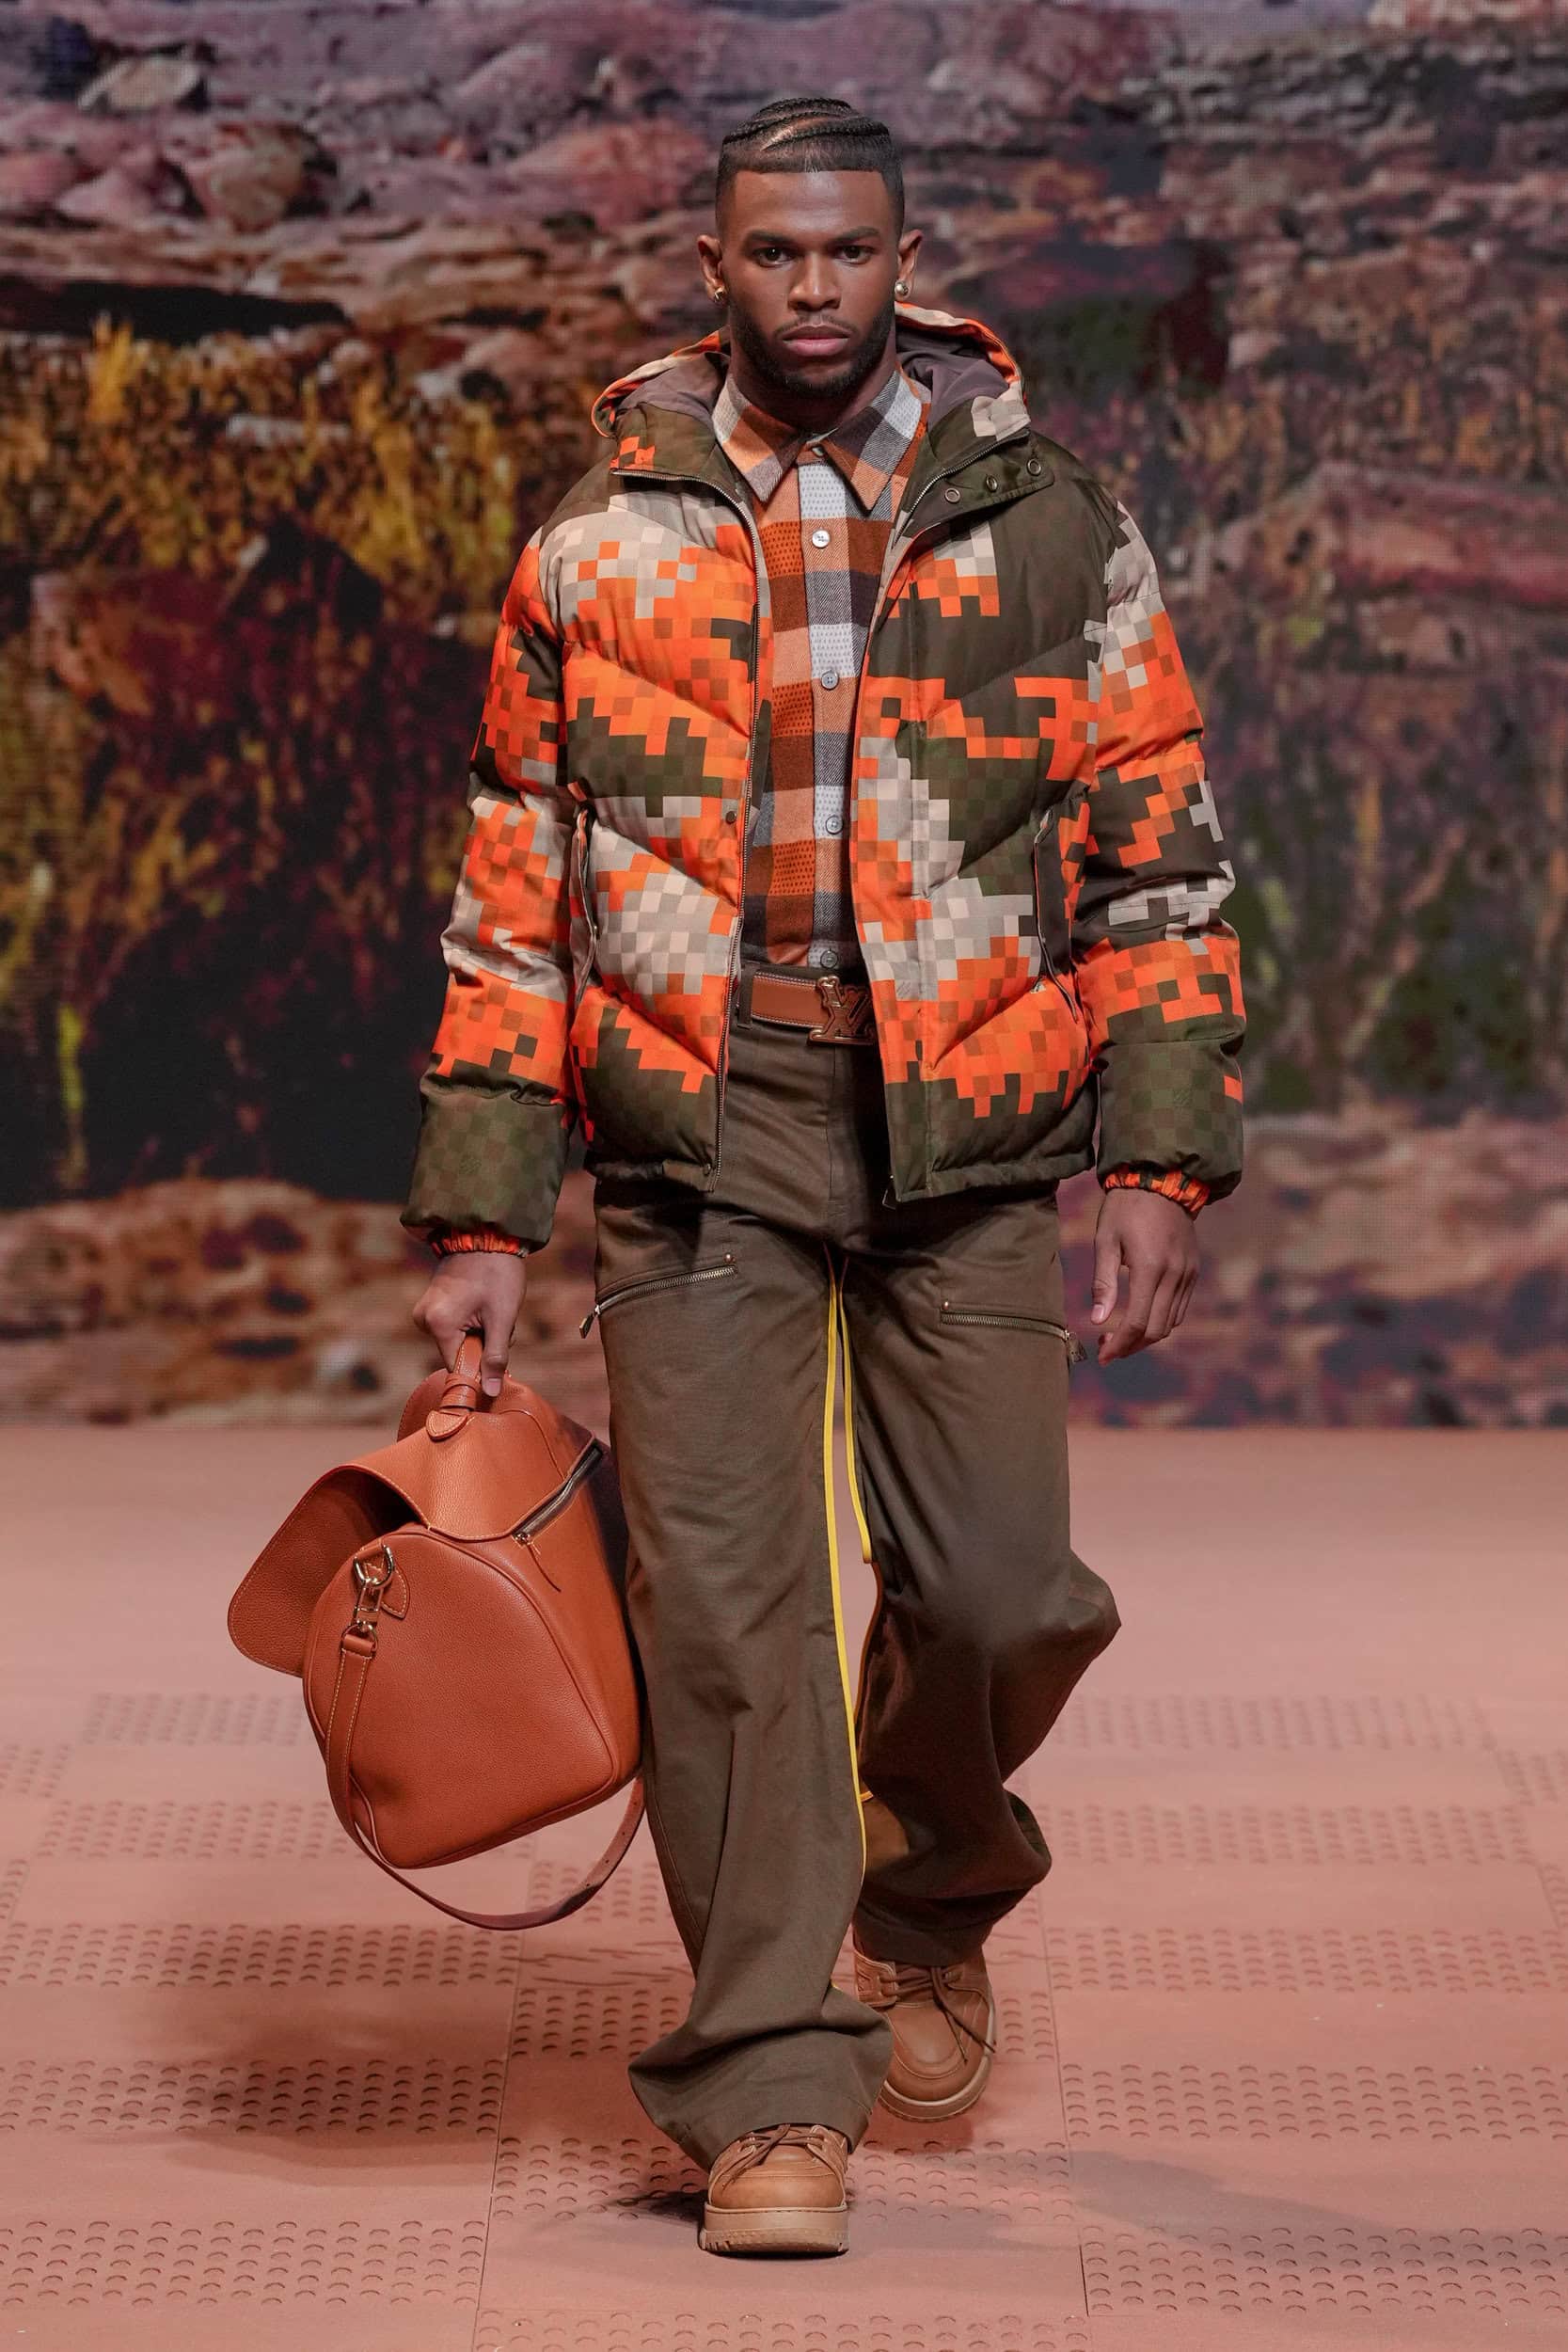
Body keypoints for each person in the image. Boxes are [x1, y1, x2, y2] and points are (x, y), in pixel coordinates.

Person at [404, 95, 1245, 2259]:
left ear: (902, 261)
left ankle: (931, 1879)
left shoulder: (1047, 522)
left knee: (999, 1585)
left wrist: (1159, 1150)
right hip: (703, 1123)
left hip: (965, 1118)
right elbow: (513, 890)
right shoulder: (598, 540)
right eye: (772, 251)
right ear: (714, 266)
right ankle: (772, 2077)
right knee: (726, 1611)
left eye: (846, 250)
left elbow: (1154, 841)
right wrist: (483, 1208)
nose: (809, 286)